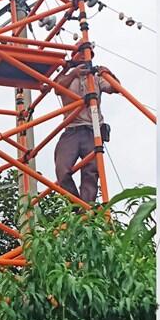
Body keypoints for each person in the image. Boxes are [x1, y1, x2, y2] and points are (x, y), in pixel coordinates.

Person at [53, 46, 118, 203]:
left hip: (92, 129)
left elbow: (115, 88)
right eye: (80, 54)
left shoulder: (95, 78)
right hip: (72, 129)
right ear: (74, 56)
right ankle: (76, 205)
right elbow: (57, 89)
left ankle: (86, 209)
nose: (83, 57)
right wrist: (74, 72)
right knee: (62, 169)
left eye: (87, 54)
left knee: (91, 172)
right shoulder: (66, 77)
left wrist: (108, 73)